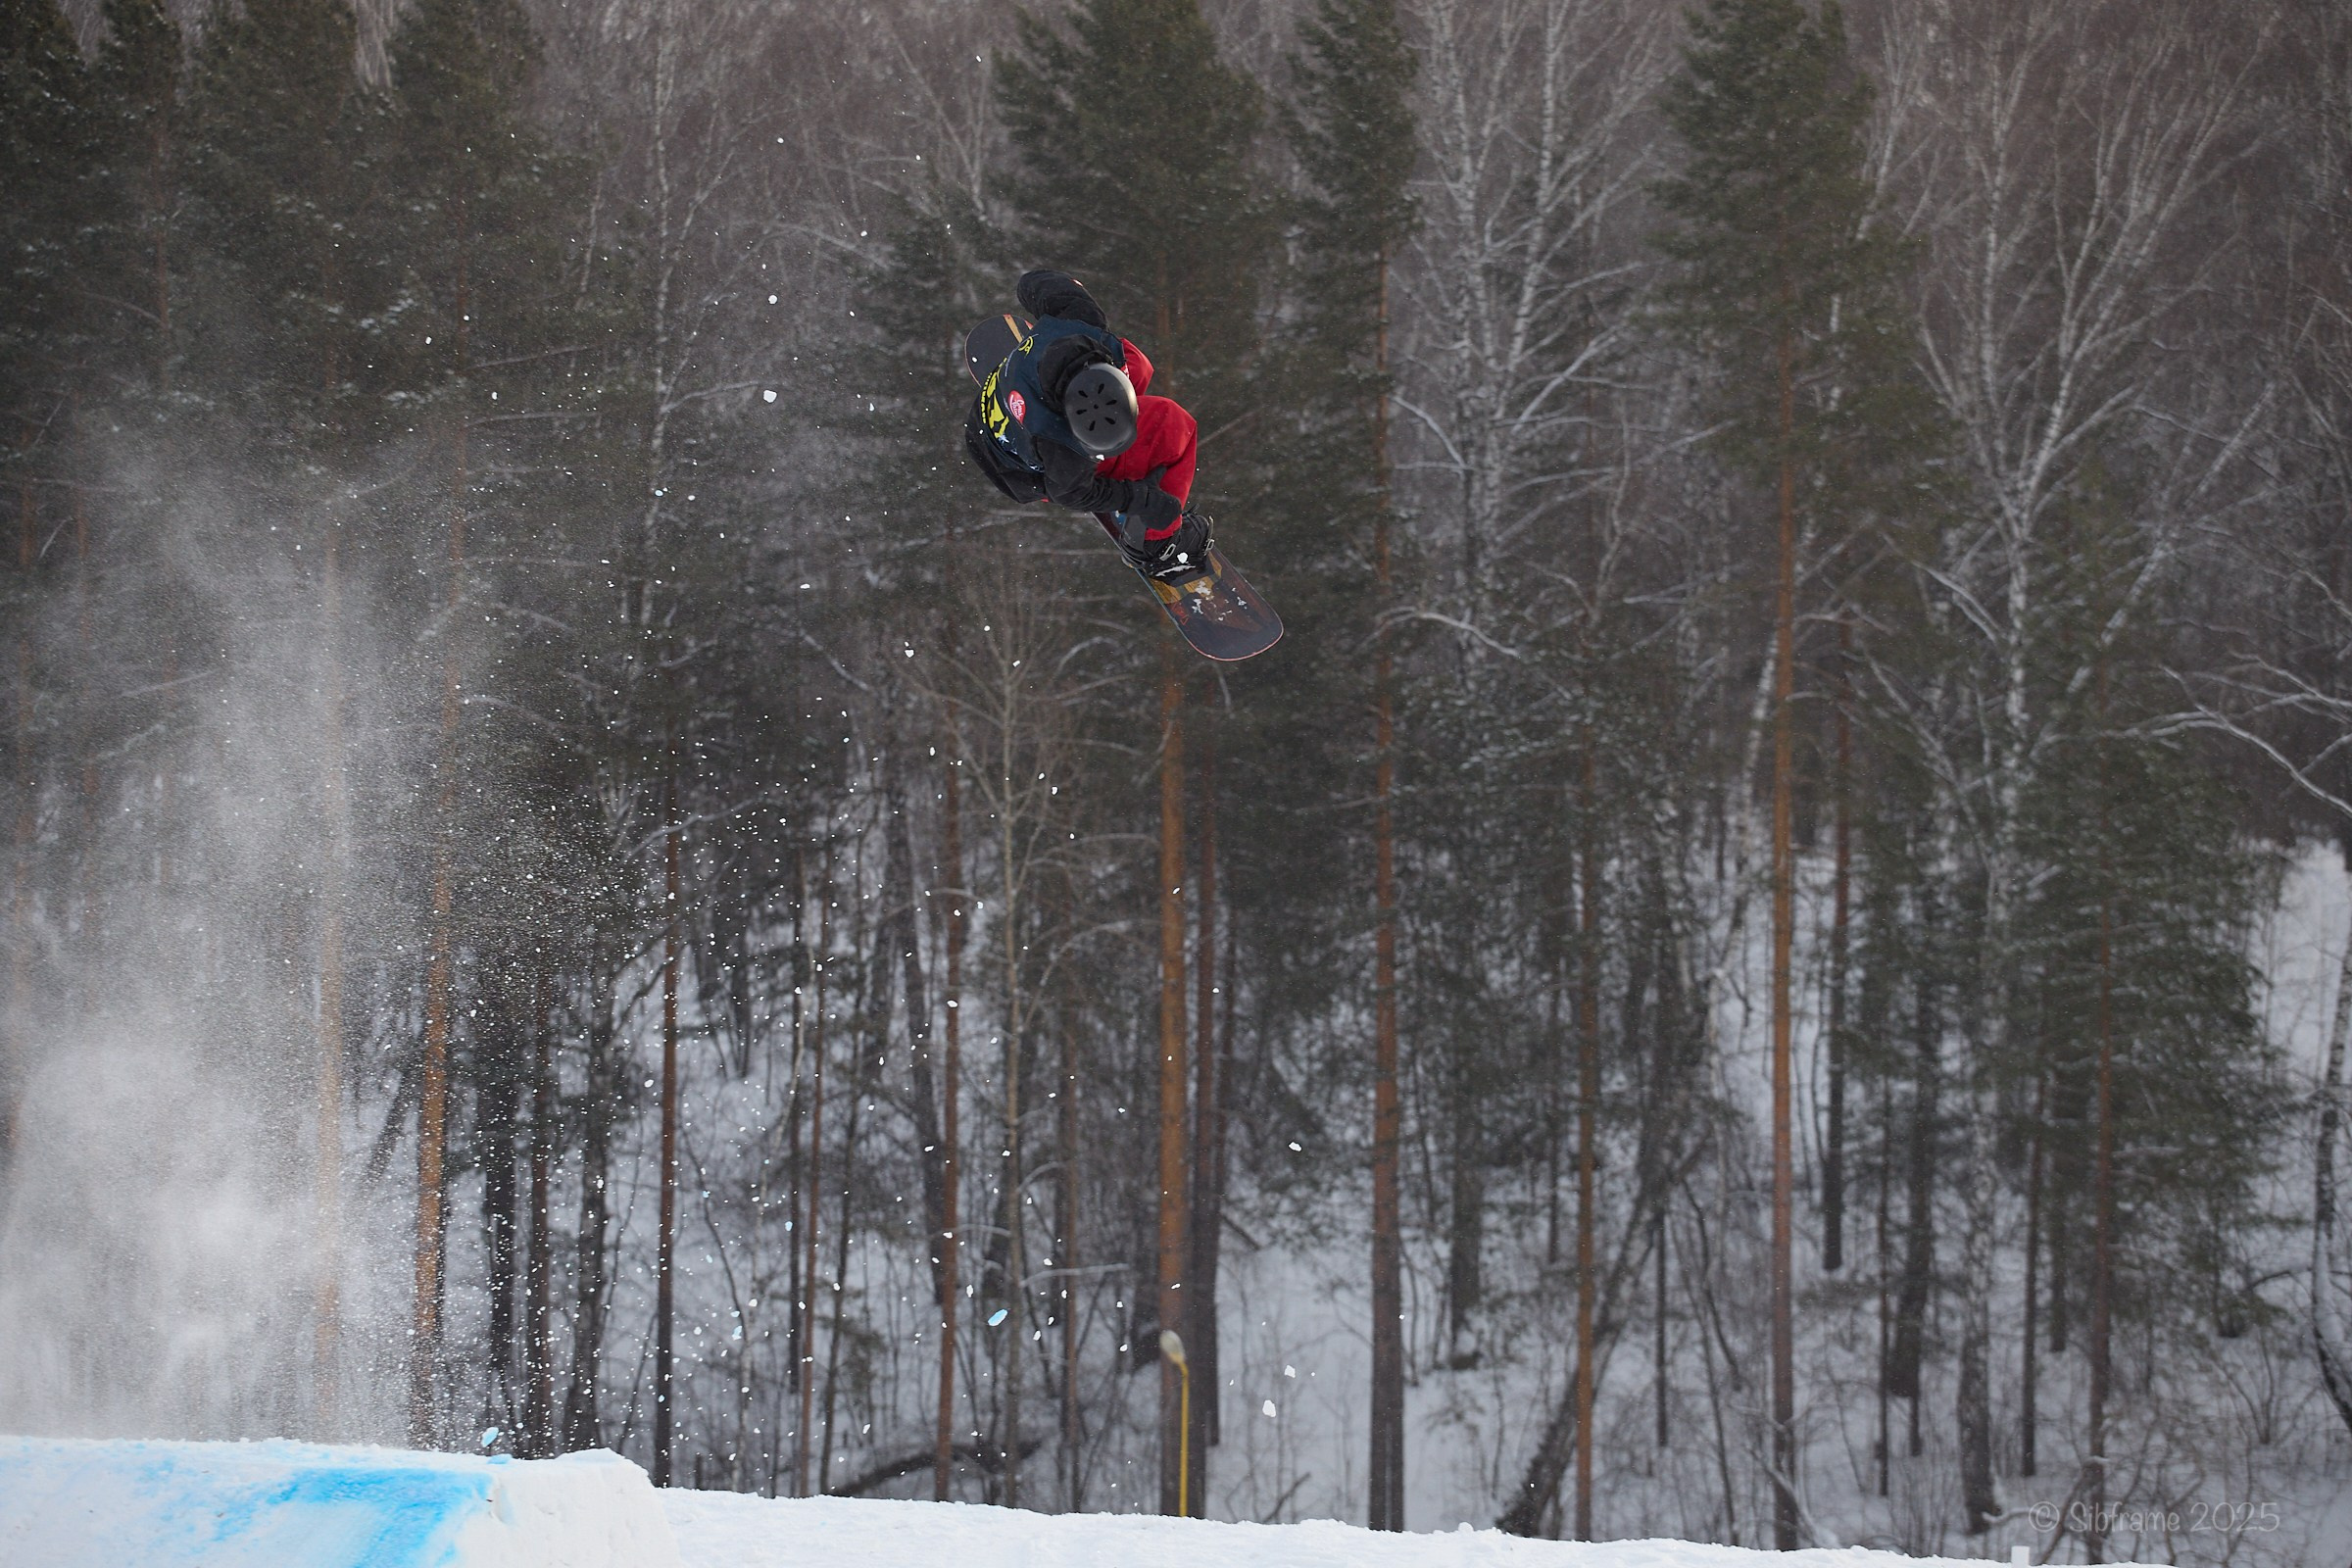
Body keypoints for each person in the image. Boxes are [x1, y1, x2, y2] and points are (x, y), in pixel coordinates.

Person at [963, 269, 1212, 579]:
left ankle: (1124, 462)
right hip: (1023, 472)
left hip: (1011, 406)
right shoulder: (1057, 442)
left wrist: (1033, 285)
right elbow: (1071, 493)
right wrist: (1140, 500)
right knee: (1172, 422)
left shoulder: (1079, 317)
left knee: (1137, 362)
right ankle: (1157, 547)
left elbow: (1035, 282)